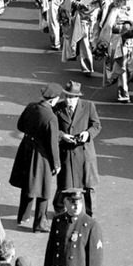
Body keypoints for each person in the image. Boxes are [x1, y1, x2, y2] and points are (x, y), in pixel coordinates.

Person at [10, 84, 61, 233]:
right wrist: (56, 163)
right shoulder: (51, 117)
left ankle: (23, 215)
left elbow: (20, 126)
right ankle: (39, 223)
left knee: (28, 185)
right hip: (41, 155)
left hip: (26, 149)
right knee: (43, 189)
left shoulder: (31, 107)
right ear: (54, 99)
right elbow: (52, 144)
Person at [54, 81, 101, 217]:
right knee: (64, 185)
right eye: (66, 96)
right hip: (67, 153)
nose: (68, 100)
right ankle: (59, 210)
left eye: (72, 97)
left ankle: (90, 214)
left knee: (89, 186)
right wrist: (62, 136)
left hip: (85, 154)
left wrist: (87, 134)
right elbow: (53, 128)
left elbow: (96, 125)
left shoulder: (88, 106)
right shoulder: (57, 108)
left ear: (78, 97)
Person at [42, 190, 103, 266]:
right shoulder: (58, 221)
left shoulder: (91, 225)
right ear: (65, 202)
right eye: (72, 202)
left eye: (79, 202)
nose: (76, 206)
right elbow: (50, 252)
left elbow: (95, 261)